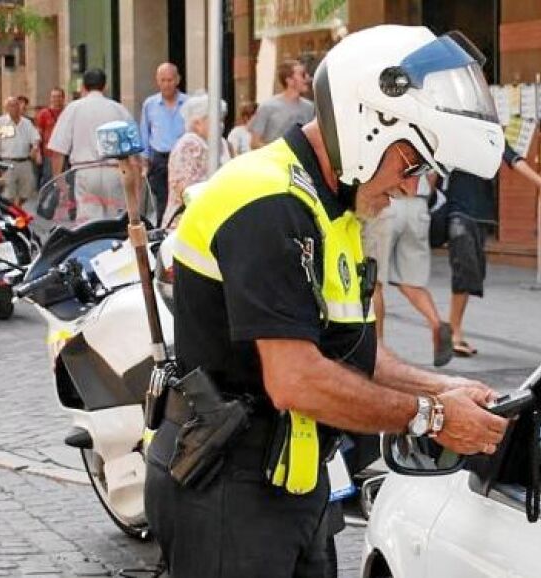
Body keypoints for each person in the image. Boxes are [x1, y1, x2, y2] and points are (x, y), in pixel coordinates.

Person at [144, 25, 509, 577]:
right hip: (227, 485)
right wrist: (432, 417)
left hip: (291, 480)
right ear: (369, 126)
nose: (410, 188)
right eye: (412, 164)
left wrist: (442, 387)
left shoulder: (330, 208)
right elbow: (296, 379)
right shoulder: (267, 201)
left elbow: (352, 352)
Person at [444, 142, 541, 357]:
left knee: (472, 273)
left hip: (481, 215)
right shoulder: (455, 132)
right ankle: (453, 333)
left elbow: (514, 159)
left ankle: (453, 328)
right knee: (464, 268)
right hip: (457, 210)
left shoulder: (491, 134)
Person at [363, 172, 453, 367]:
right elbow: (432, 176)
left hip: (387, 203)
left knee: (373, 282)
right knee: (411, 281)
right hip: (418, 207)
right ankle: (436, 323)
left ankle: (378, 347)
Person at [47, 68, 135, 223]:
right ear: (105, 86)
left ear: (83, 87)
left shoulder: (73, 109)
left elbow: (58, 149)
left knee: (89, 224)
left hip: (85, 172)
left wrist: (59, 181)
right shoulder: (118, 109)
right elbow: (132, 152)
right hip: (114, 172)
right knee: (115, 222)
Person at [161, 93, 231, 228]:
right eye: (216, 120)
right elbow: (184, 188)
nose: (221, 125)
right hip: (189, 220)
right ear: (197, 123)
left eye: (222, 119)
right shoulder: (189, 144)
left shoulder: (222, 143)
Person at [140, 62, 188, 226]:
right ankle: (163, 230)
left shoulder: (188, 103)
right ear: (157, 81)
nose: (166, 84)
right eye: (163, 80)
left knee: (182, 199)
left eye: (170, 80)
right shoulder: (150, 104)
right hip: (159, 159)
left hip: (182, 158)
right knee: (161, 200)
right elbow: (145, 133)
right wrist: (144, 162)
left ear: (177, 80)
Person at [249, 59, 315, 149]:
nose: (308, 78)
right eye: (302, 75)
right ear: (289, 80)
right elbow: (254, 143)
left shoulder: (309, 107)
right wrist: (276, 152)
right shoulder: (268, 106)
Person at [0, 96, 41, 207]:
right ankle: (13, 211)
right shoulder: (1, 122)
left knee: (26, 192)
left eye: (17, 105)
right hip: (8, 162)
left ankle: (18, 207)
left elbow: (36, 138)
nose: (15, 108)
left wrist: (35, 149)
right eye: (11, 105)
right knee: (8, 194)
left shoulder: (26, 123)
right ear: (6, 108)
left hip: (25, 161)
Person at [35, 87, 66, 189]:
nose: (56, 99)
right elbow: (38, 135)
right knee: (49, 181)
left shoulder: (67, 112)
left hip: (65, 153)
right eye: (54, 97)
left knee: (65, 180)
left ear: (63, 98)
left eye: (58, 96)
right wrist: (38, 152)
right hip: (49, 154)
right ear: (50, 98)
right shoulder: (43, 114)